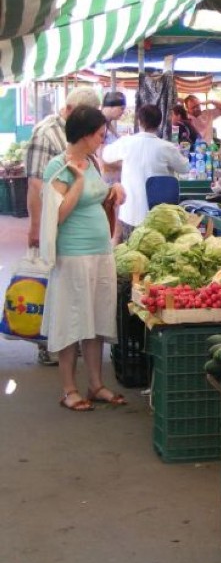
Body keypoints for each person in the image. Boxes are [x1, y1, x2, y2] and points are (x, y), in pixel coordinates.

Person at [41, 106, 127, 411]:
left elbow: (97, 195)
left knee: (97, 318)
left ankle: (95, 384)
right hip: (73, 255)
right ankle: (68, 389)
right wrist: (76, 180)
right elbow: (58, 215)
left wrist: (113, 190)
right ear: (86, 135)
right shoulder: (58, 167)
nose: (103, 140)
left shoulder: (91, 162)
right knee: (72, 321)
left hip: (100, 251)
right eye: (100, 135)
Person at [24, 86, 101, 366]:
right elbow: (35, 184)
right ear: (70, 111)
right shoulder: (46, 134)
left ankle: (67, 347)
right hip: (65, 235)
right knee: (59, 299)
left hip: (87, 239)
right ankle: (47, 344)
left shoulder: (90, 154)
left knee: (80, 305)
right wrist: (36, 227)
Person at [102, 105, 190, 240]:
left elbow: (106, 155)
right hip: (159, 215)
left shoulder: (126, 142)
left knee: (131, 252)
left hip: (130, 213)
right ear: (160, 123)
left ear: (139, 121)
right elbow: (185, 168)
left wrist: (124, 162)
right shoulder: (166, 147)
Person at [99, 91, 127, 185]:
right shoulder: (100, 124)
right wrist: (127, 165)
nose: (123, 112)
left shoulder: (108, 124)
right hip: (106, 180)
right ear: (111, 106)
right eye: (121, 108)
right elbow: (101, 158)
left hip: (112, 178)